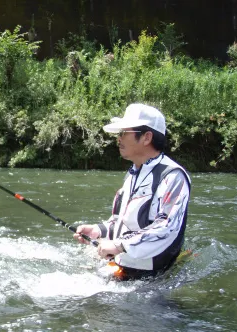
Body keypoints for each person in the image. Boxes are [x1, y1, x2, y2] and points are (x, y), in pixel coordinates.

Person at [73, 103, 191, 281]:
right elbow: (124, 221)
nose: (118, 139)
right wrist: (98, 230)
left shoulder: (173, 176)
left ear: (146, 137)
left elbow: (166, 227)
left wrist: (119, 245)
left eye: (123, 133)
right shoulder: (133, 172)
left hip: (151, 281)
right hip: (123, 270)